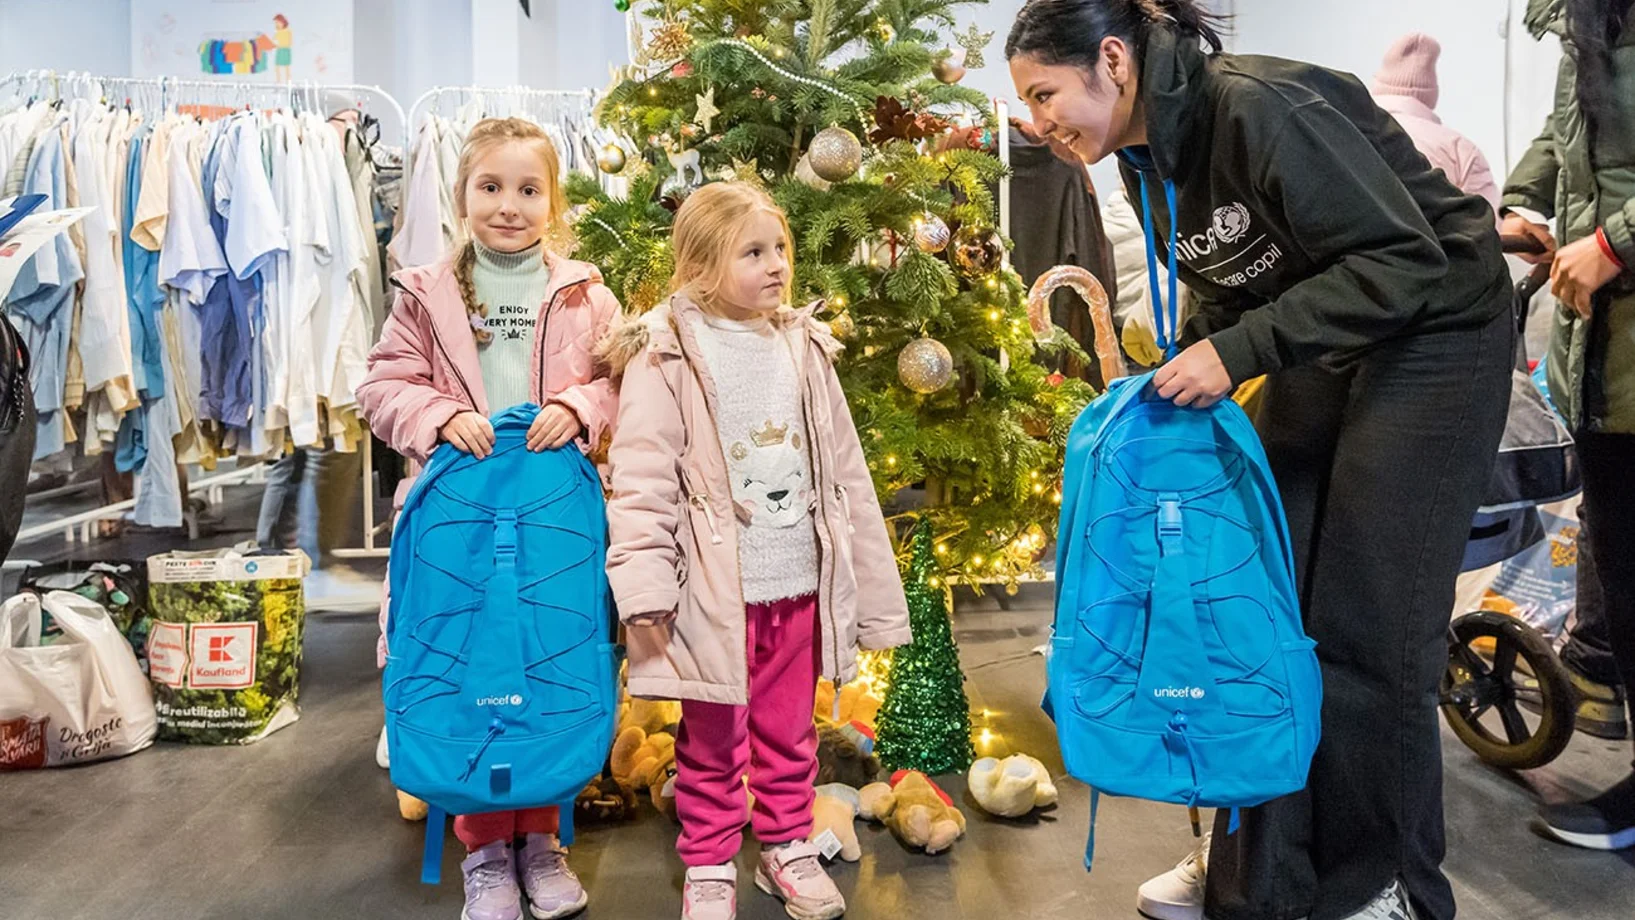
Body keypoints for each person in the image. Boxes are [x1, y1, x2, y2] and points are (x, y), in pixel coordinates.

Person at [1006, 3, 1513, 920]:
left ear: (1110, 60)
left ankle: (1387, 887)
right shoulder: (1136, 156)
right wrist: (1188, 358)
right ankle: (1262, 872)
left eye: (1045, 93)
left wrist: (1235, 354)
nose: (1038, 122)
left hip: (1436, 332)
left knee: (1368, 629)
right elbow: (1235, 278)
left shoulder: (1263, 106)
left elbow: (1407, 260)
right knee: (1258, 606)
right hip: (1325, 344)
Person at [601, 182, 912, 920]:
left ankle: (785, 847)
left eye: (780, 250)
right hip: (715, 593)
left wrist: (867, 579)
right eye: (752, 252)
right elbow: (641, 477)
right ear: (702, 264)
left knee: (789, 731)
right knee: (711, 739)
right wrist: (644, 586)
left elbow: (845, 474)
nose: (776, 266)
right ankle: (709, 860)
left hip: (797, 585)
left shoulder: (803, 346)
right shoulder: (665, 353)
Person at [356, 117, 622, 920]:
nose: (509, 205)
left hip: (550, 521)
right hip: (458, 526)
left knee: (544, 660)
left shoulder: (584, 293)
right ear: (462, 194)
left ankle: (541, 839)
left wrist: (577, 407)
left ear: (554, 201)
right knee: (469, 666)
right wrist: (436, 414)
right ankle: (483, 850)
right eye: (491, 187)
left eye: (528, 189)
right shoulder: (423, 294)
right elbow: (379, 387)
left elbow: (621, 381)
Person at [1502, 0, 1635, 851]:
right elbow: (1570, 134)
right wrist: (1521, 206)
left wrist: (1617, 242)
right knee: (1623, 577)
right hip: (1603, 359)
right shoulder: (1583, 17)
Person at [1371, 32, 1501, 212]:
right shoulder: (1461, 149)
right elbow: (1490, 222)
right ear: (1432, 93)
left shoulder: (1346, 126)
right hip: (1434, 239)